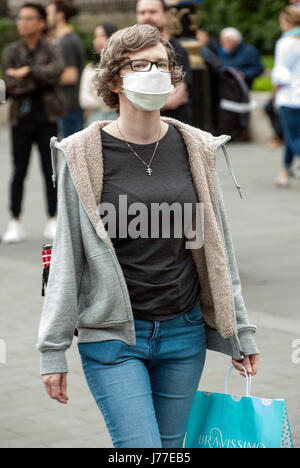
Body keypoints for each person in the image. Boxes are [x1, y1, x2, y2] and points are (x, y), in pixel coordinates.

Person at [37, 24, 260, 449]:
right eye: (139, 64)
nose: (153, 71)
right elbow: (66, 256)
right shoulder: (81, 154)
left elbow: (218, 249)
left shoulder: (195, 147)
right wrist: (53, 349)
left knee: (171, 449)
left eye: (160, 63)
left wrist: (240, 333)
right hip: (114, 336)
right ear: (114, 78)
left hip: (184, 332)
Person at [1, 2, 65, 243]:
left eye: (28, 18)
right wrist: (39, 75)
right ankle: (15, 220)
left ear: (40, 22)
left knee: (50, 170)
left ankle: (52, 217)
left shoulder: (52, 47)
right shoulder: (11, 51)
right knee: (19, 171)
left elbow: (57, 72)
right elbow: (10, 84)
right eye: (20, 18)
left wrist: (27, 71)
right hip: (21, 118)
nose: (22, 23)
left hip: (47, 117)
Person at [136, 0, 193, 124]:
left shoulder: (178, 51)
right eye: (142, 12)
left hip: (173, 126)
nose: (147, 16)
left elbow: (176, 98)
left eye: (152, 12)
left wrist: (137, 102)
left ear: (166, 15)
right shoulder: (132, 52)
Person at [46, 0, 85, 138]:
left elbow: (70, 76)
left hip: (69, 106)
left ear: (60, 15)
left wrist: (42, 78)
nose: (46, 17)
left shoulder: (67, 41)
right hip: (65, 107)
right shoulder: (61, 40)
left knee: (70, 155)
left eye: (49, 13)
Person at [271, 6, 300, 187]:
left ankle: (285, 171)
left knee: (294, 137)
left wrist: (274, 93)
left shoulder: (285, 43)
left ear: (288, 22)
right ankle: (285, 171)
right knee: (291, 137)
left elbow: (280, 74)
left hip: (289, 97)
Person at [79, 23, 118, 126]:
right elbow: (84, 100)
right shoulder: (90, 69)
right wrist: (109, 102)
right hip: (94, 120)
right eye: (96, 37)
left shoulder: (119, 68)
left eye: (103, 36)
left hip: (117, 119)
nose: (98, 40)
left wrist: (95, 94)